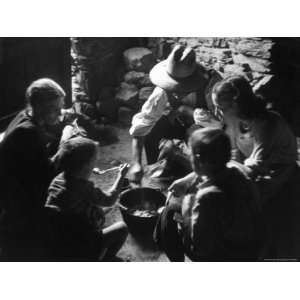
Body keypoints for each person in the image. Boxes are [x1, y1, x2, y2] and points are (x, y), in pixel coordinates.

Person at [210, 75, 300, 259]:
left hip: (279, 173)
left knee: (241, 205)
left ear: (236, 105)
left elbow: (255, 166)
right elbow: (234, 150)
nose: (218, 113)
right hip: (254, 168)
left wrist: (216, 174)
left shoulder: (266, 124)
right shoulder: (235, 120)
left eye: (221, 108)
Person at [154, 128, 260, 261]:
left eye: (190, 153)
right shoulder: (239, 172)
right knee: (173, 209)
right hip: (251, 248)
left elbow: (199, 247)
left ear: (198, 159)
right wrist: (187, 180)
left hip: (224, 256)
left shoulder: (207, 197)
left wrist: (188, 208)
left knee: (169, 212)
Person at [129, 44, 222, 183]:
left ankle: (196, 177)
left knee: (198, 141)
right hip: (181, 124)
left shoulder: (212, 86)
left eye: (180, 87)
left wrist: (185, 111)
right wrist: (136, 163)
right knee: (153, 129)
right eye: (172, 85)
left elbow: (220, 125)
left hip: (205, 130)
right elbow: (143, 121)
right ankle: (156, 171)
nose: (175, 91)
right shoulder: (164, 89)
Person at [0, 78, 66, 259]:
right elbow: (47, 175)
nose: (60, 112)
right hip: (15, 197)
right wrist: (65, 147)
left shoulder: (24, 115)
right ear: (40, 108)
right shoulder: (28, 133)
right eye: (55, 109)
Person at [46, 136, 128, 261]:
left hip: (58, 237)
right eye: (94, 160)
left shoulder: (58, 179)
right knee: (122, 228)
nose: (96, 162)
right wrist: (121, 176)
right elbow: (110, 199)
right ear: (86, 165)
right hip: (79, 245)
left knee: (100, 211)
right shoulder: (83, 187)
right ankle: (105, 258)